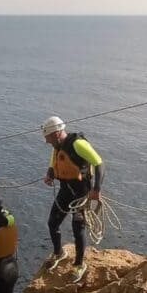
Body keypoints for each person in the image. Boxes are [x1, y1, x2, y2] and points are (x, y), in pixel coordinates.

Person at [41, 115, 104, 282]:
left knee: (78, 229)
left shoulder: (78, 144)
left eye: (47, 138)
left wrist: (96, 190)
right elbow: (54, 161)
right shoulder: (57, 146)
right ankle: (58, 253)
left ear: (56, 133)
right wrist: (50, 174)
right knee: (52, 223)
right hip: (65, 190)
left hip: (81, 193)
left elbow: (99, 163)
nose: (47, 142)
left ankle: (79, 264)